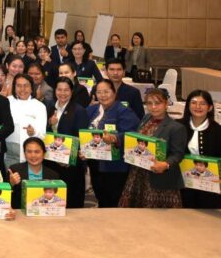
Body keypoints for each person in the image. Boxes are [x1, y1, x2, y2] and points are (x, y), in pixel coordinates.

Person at [119, 89, 188, 208]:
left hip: (159, 176)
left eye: (158, 103)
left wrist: (165, 164)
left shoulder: (176, 128)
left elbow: (178, 154)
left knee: (155, 214)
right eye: (149, 103)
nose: (153, 107)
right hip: (138, 172)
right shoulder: (146, 118)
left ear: (166, 104)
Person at [84, 79, 140, 208]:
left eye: (106, 91)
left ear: (114, 93)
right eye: (99, 92)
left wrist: (115, 138)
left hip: (115, 165)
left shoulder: (123, 111)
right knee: (100, 195)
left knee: (113, 198)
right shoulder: (91, 110)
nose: (103, 95)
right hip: (95, 162)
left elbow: (133, 134)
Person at [46, 77, 88, 208]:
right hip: (51, 161)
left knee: (71, 200)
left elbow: (81, 138)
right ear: (55, 90)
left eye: (66, 90)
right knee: (53, 199)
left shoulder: (79, 110)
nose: (62, 93)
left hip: (70, 164)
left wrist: (69, 158)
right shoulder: (49, 107)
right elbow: (44, 133)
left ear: (71, 91)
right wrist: (49, 123)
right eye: (59, 89)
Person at [178, 90, 221, 208]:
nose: (198, 106)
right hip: (182, 182)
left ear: (210, 107)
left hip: (209, 186)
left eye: (202, 103)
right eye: (193, 102)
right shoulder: (178, 126)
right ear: (188, 105)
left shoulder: (217, 131)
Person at [6, 74, 47, 168]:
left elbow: (43, 134)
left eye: (26, 85)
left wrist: (33, 132)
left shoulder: (39, 106)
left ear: (32, 88)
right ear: (14, 87)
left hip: (31, 154)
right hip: (9, 152)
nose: (22, 89)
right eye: (19, 85)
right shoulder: (7, 101)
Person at [8, 137, 60, 209]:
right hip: (21, 212)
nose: (33, 155)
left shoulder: (53, 175)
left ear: (44, 154)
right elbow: (6, 197)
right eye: (29, 152)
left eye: (37, 152)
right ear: (24, 154)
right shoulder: (15, 170)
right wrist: (11, 184)